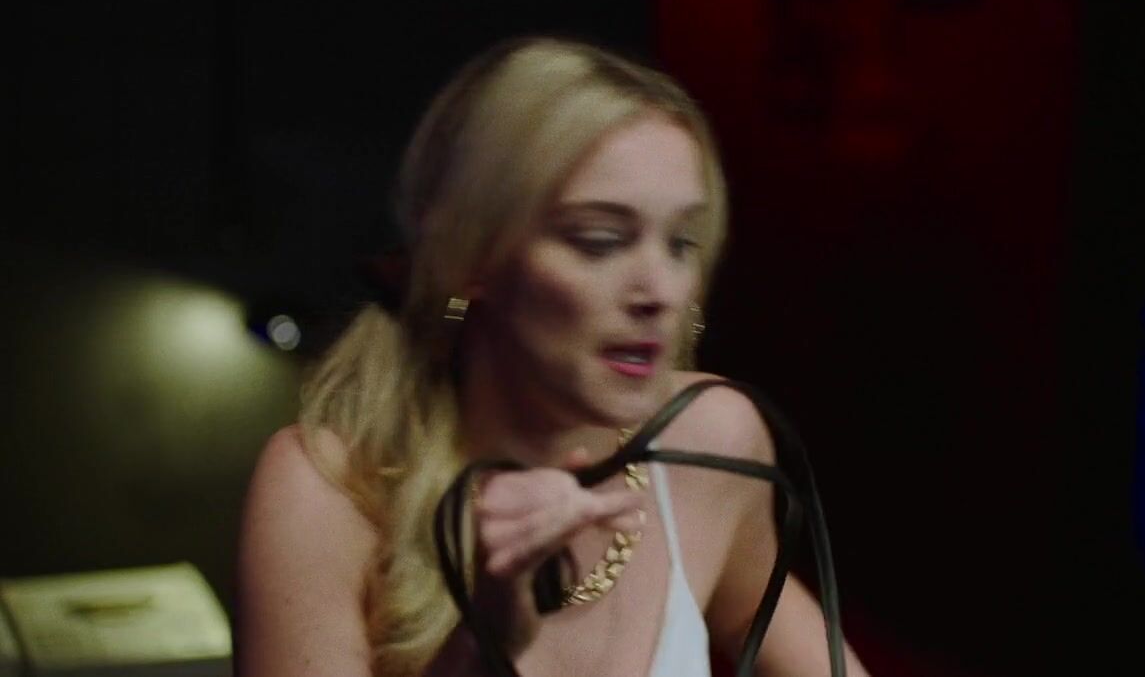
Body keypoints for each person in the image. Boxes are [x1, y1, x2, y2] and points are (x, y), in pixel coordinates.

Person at [236, 37, 871, 677]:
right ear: (472, 256)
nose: (660, 291)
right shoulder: (328, 489)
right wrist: (484, 641)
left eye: (680, 243)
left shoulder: (711, 439)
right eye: (600, 241)